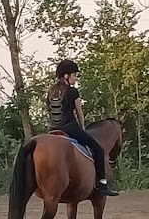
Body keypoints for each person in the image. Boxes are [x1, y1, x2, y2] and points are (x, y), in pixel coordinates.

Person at [46, 59, 119, 197]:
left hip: (52, 130)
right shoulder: (72, 92)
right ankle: (103, 184)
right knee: (98, 150)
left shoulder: (51, 92)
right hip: (70, 129)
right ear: (66, 76)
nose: (76, 78)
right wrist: (83, 128)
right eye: (74, 75)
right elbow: (79, 112)